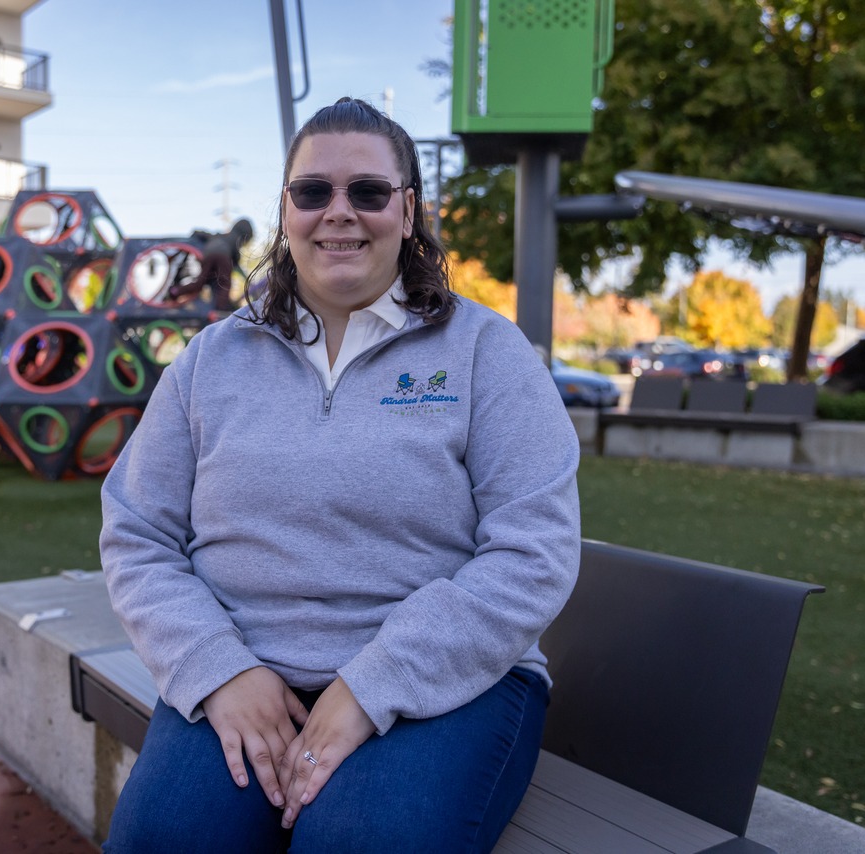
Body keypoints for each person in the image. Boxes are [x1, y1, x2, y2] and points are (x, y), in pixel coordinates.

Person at [99, 97, 581, 853]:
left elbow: (534, 552)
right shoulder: (210, 362)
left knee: (356, 844)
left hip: (441, 682)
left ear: (410, 209)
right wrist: (219, 670)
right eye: (313, 191)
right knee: (165, 839)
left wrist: (370, 687)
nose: (339, 213)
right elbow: (137, 532)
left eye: (369, 191)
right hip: (247, 668)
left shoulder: (488, 351)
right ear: (286, 209)